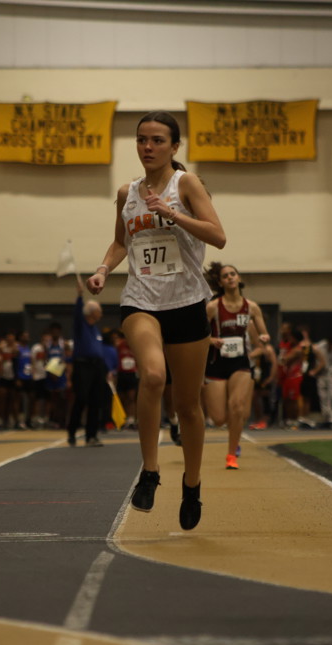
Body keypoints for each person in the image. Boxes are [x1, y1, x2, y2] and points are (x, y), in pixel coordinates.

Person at [86, 110, 226, 531]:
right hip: (141, 299)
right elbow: (120, 241)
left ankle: (192, 483)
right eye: (142, 139)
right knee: (151, 375)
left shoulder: (187, 184)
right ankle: (150, 471)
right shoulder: (126, 192)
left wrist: (172, 213)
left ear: (174, 146)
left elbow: (218, 236)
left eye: (157, 140)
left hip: (186, 301)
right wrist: (103, 269)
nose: (148, 147)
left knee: (187, 406)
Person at [203, 262, 271, 469]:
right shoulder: (213, 307)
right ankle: (233, 434)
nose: (230, 278)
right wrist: (211, 340)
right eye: (225, 276)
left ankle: (231, 455)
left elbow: (263, 335)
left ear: (239, 278)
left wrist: (265, 337)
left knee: (238, 407)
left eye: (233, 274)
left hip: (240, 363)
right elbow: (199, 335)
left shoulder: (252, 307)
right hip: (216, 363)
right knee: (218, 419)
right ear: (220, 282)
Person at [66, 281, 106, 447]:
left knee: (96, 401)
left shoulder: (95, 328)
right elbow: (77, 312)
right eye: (99, 310)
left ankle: (91, 436)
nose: (101, 313)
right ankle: (72, 432)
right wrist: (80, 295)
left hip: (97, 366)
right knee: (81, 399)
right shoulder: (81, 325)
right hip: (83, 366)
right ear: (91, 312)